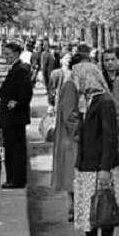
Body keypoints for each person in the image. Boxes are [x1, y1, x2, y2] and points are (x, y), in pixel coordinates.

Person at [72, 59, 119, 236]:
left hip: (101, 165)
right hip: (86, 164)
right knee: (88, 209)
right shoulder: (88, 100)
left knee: (103, 207)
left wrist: (105, 168)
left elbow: (110, 136)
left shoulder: (105, 102)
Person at [0, 39, 33, 189]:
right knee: (11, 148)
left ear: (17, 54)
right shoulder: (15, 69)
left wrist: (17, 103)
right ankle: (13, 178)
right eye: (4, 54)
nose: (6, 57)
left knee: (15, 149)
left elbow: (26, 92)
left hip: (15, 118)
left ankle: (16, 179)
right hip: (11, 117)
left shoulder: (21, 70)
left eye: (8, 54)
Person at [50, 52, 79, 222]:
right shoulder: (71, 84)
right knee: (72, 174)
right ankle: (72, 208)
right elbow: (70, 115)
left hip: (71, 138)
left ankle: (74, 207)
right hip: (72, 139)